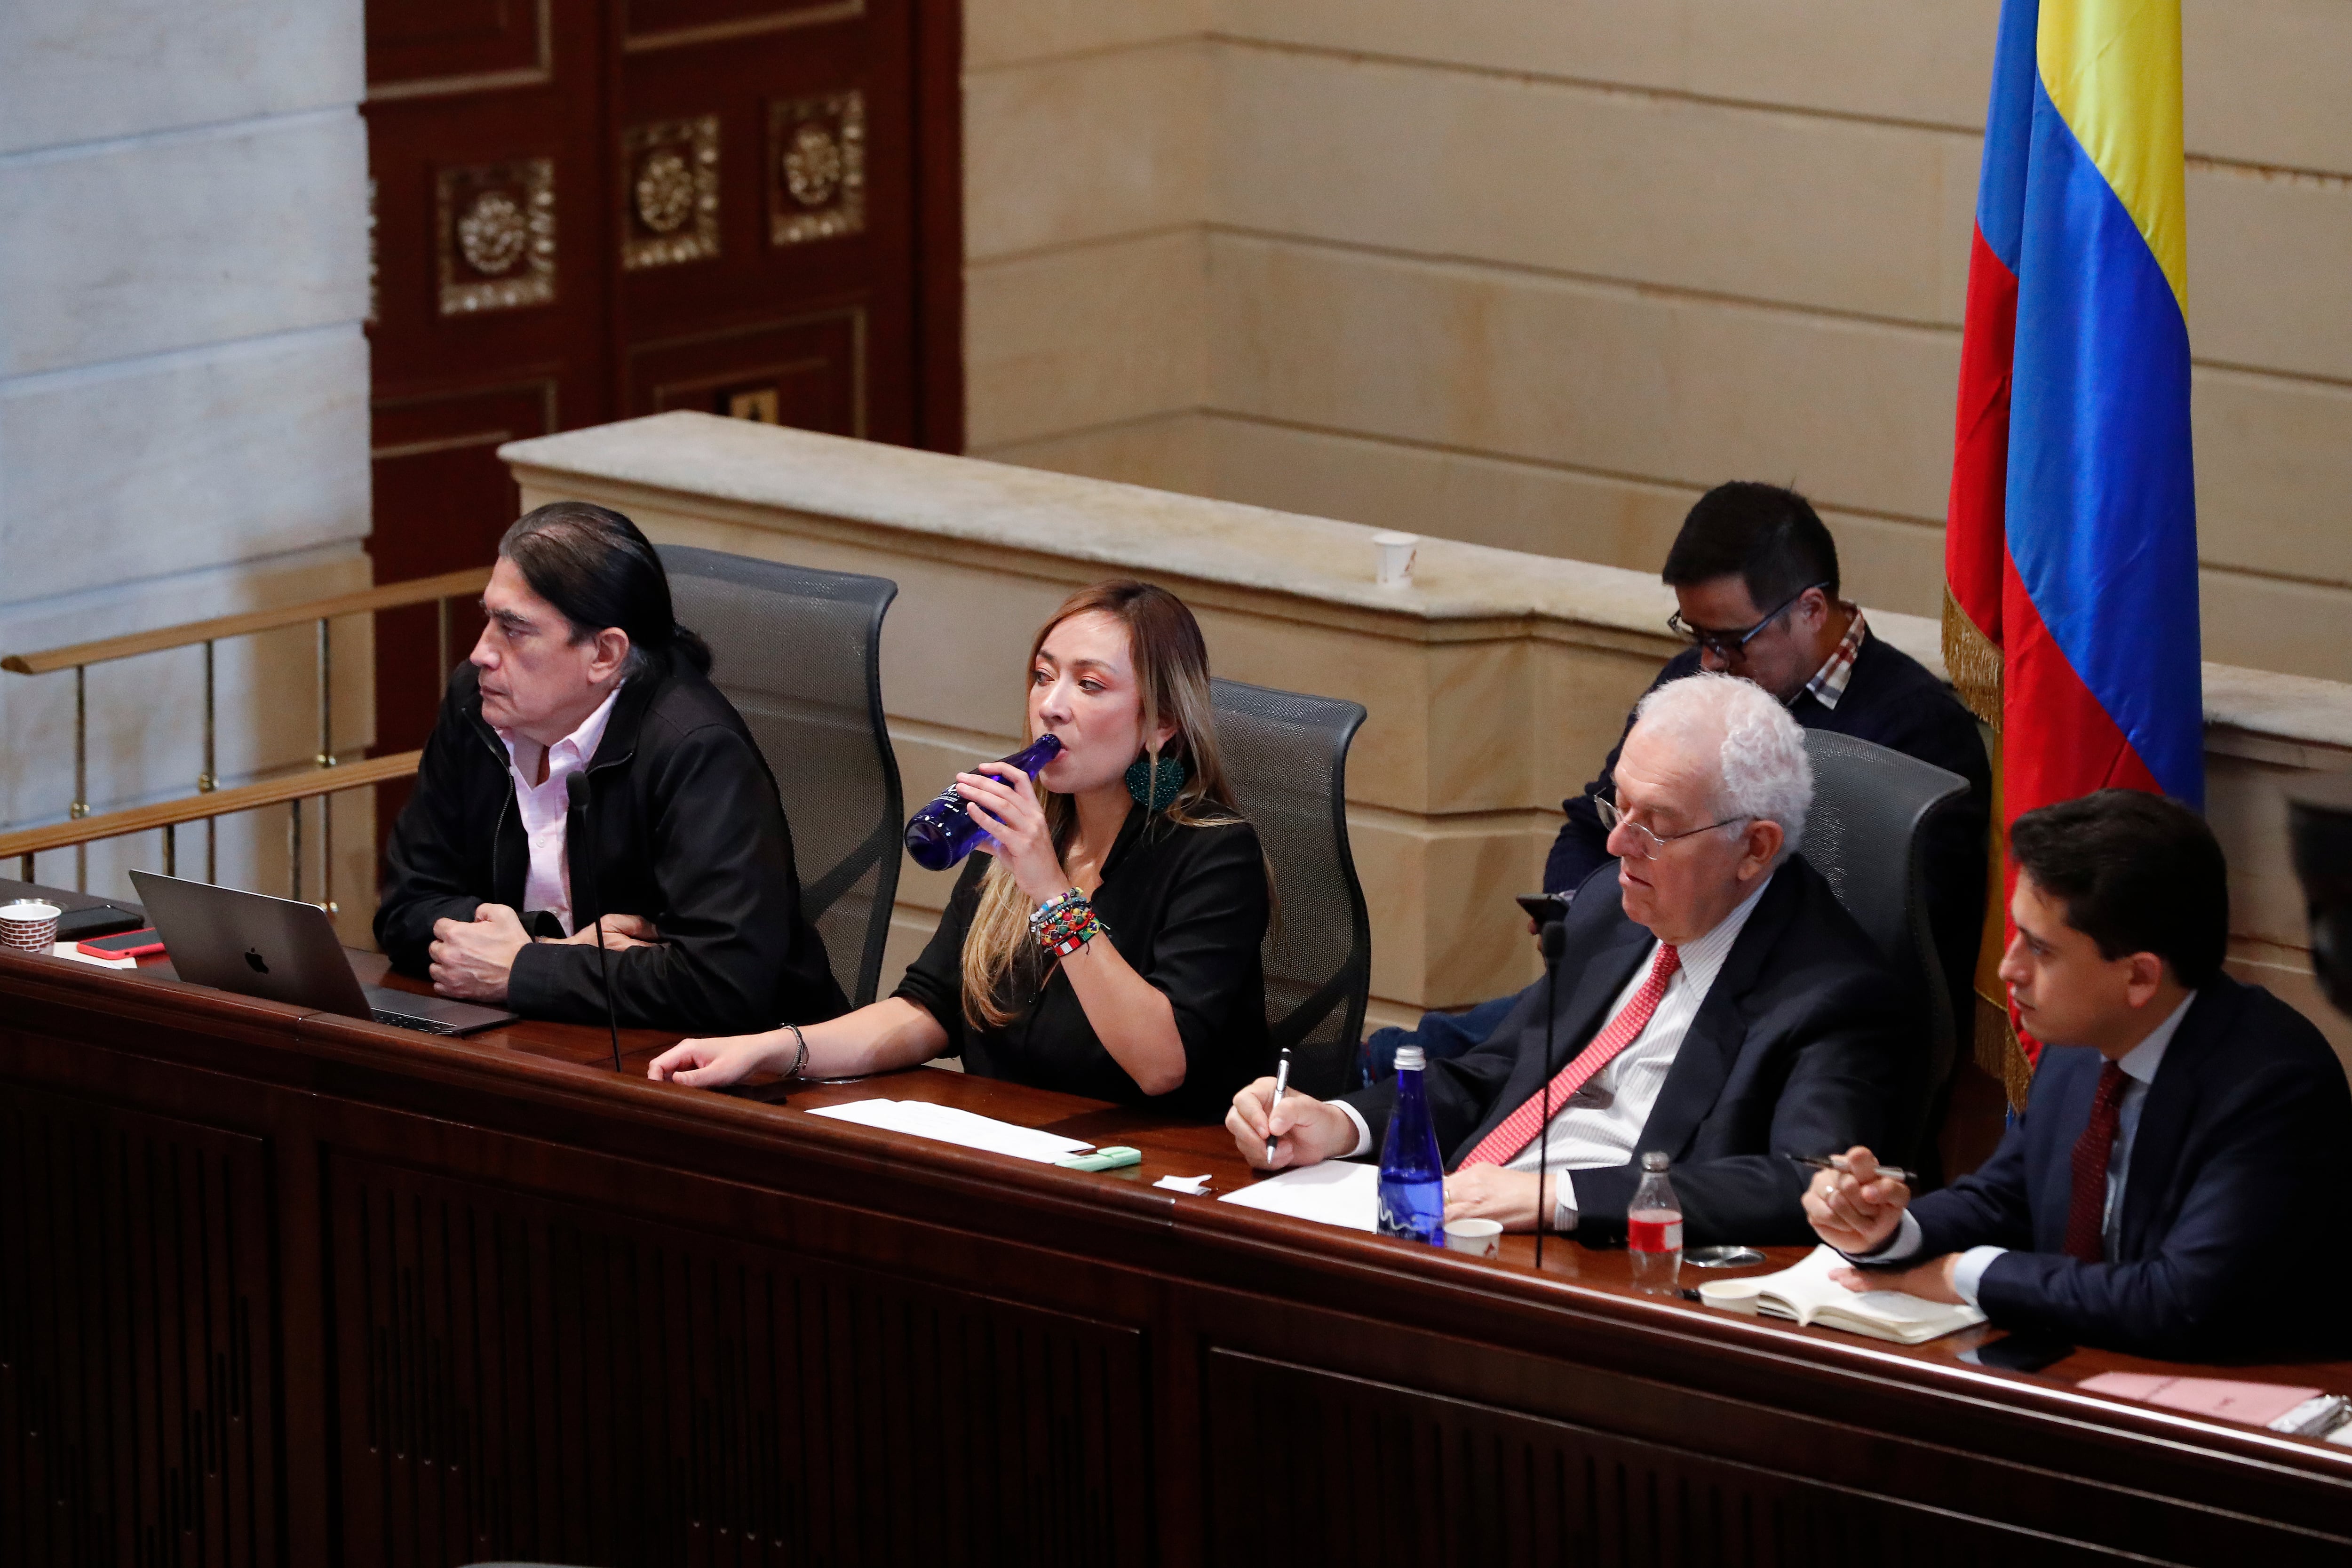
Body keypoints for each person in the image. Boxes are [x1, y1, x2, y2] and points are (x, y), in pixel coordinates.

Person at [1231, 673, 1910, 1245]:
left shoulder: (1833, 995)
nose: (1616, 845)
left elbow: (1802, 1181)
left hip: (1605, 1261)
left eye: (1656, 826)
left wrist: (1557, 1197)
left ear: (1755, 848)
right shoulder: (1613, 904)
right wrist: (1340, 1125)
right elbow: (1498, 1074)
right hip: (1462, 1221)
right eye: (1619, 806)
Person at [1367, 482, 1989, 1080]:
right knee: (1451, 1056)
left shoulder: (1918, 733)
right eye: (1696, 635)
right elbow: (1593, 823)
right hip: (1638, 971)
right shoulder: (1695, 684)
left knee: (1468, 1061)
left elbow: (1895, 945)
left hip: (1775, 1026)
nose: (1709, 662)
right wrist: (1578, 911)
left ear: (1810, 610)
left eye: (1730, 641)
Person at [648, 581, 1272, 1120]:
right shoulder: (1023, 822)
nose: (1050, 706)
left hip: (1160, 1174)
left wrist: (1049, 889)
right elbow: (929, 1007)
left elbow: (1160, 1066)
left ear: (1161, 722)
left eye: (1088, 685)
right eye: (1043, 676)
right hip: (1010, 1146)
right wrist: (773, 1048)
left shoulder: (1214, 855)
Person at [1806, 790, 2352, 1361]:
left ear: (2139, 978)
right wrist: (1888, 1228)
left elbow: (2180, 1300)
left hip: (2232, 1390)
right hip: (2081, 1368)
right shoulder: (2079, 1044)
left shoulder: (2272, 1086)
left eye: (2040, 950)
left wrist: (1963, 1275)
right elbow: (2005, 1199)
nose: (2008, 968)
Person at [376, 501, 845, 1035]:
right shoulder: (476, 705)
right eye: (488, 619)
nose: (482, 652)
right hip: (550, 1034)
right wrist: (538, 946)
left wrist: (525, 967)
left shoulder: (697, 749)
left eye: (513, 630)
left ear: (604, 654)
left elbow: (725, 984)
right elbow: (405, 908)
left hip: (742, 1064)